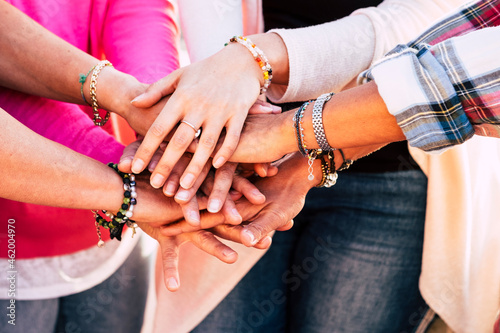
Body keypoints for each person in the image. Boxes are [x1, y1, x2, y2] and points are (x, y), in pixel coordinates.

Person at [138, 0, 500, 332]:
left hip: (394, 168)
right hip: (247, 161)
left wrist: (253, 62)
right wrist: (229, 107)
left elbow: (444, 54)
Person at [0, 1, 270, 332]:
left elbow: (135, 7)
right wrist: (133, 180)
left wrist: (161, 114)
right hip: (13, 241)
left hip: (119, 224)